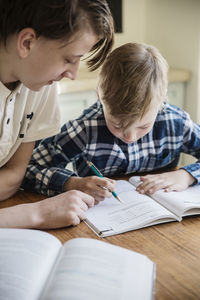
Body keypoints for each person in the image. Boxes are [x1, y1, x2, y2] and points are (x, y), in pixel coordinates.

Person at [23, 42, 200, 204]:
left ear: (162, 99)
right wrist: (71, 183)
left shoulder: (176, 123)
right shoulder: (84, 130)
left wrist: (186, 176)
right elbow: (27, 169)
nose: (130, 137)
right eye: (117, 125)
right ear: (100, 97)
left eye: (143, 126)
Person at [0, 0, 114, 228]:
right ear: (27, 42)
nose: (72, 73)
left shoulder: (40, 86)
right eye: (69, 59)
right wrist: (38, 213)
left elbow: (14, 174)